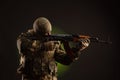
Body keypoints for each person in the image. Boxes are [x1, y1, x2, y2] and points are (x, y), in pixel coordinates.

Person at [16, 17, 90, 80]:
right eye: (46, 33)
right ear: (38, 32)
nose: (49, 34)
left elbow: (66, 60)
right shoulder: (24, 39)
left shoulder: (52, 41)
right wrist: (49, 45)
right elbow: (25, 47)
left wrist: (78, 49)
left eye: (49, 32)